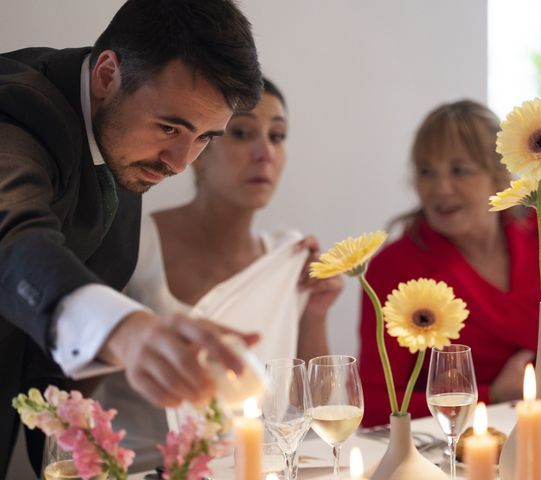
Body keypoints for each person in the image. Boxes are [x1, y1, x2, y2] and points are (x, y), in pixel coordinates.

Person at [0, 0, 263, 475]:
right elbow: (12, 239)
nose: (181, 162)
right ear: (106, 74)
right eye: (170, 127)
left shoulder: (124, 142)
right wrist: (125, 331)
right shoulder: (15, 111)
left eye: (206, 137)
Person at [96, 77, 344, 471]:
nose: (265, 153)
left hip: (255, 468)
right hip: (139, 470)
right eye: (243, 133)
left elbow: (320, 409)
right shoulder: (134, 243)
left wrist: (316, 310)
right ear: (201, 147)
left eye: (278, 136)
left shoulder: (284, 256)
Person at [358, 99, 541, 427]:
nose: (440, 189)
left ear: (497, 174)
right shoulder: (393, 268)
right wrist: (490, 395)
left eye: (459, 170)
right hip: (465, 445)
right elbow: (375, 404)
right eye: (426, 172)